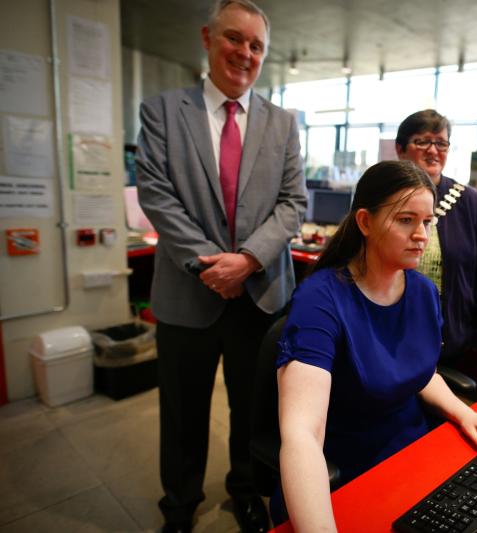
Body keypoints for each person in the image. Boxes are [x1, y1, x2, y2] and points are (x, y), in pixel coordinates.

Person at [275, 160, 477, 532]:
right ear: (365, 222)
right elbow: (302, 434)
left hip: (415, 456)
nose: (422, 234)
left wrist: (465, 413)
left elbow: (420, 372)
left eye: (427, 222)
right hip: (350, 474)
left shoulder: (422, 291)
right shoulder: (321, 299)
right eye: (406, 220)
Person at [135, 1, 306, 531]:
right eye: (235, 39)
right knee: (182, 412)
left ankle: (248, 492)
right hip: (189, 293)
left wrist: (248, 259)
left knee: (253, 410)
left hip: (260, 295)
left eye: (256, 46)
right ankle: (180, 505)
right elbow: (156, 195)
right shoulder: (162, 111)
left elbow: (293, 203)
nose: (245, 53)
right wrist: (211, 266)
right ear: (208, 38)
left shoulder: (283, 123)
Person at [395, 110, 477, 371]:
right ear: (400, 149)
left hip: (451, 337)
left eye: (441, 143)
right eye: (422, 142)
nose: (433, 151)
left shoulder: (468, 200)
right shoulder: (386, 195)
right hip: (393, 331)